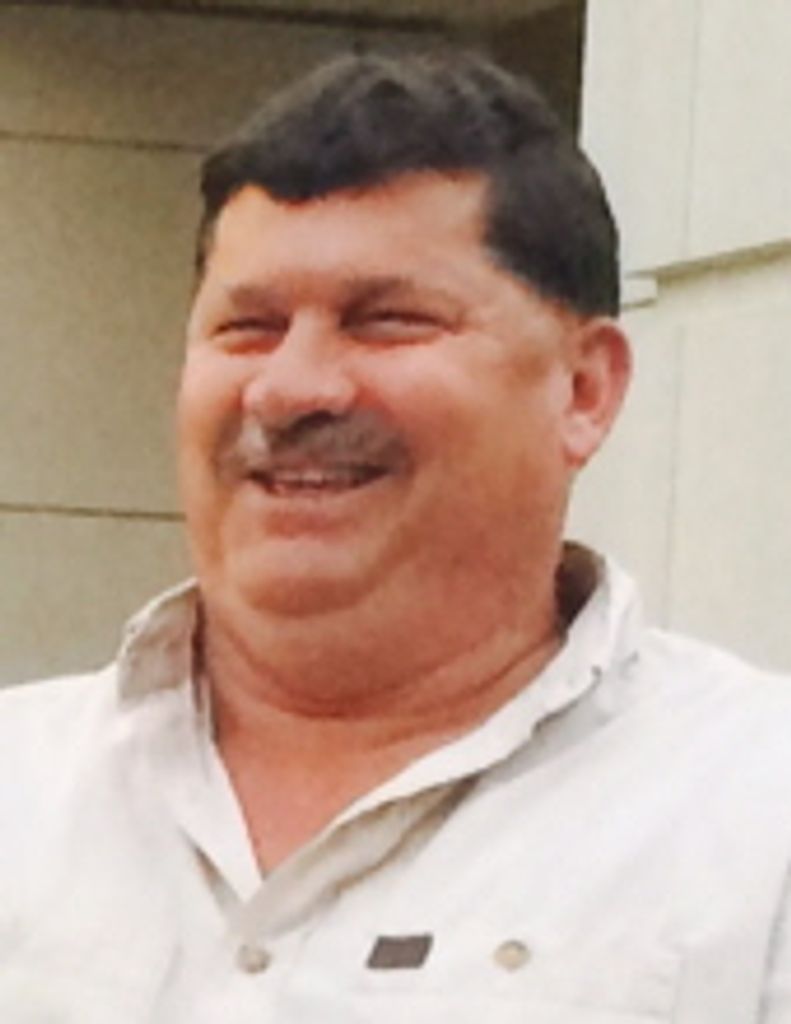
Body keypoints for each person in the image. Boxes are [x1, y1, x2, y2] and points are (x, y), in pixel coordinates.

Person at [1, 50, 791, 1023]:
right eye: (249, 327)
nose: (288, 389)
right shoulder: (20, 794)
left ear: (582, 390)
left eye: (385, 321)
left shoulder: (755, 826)